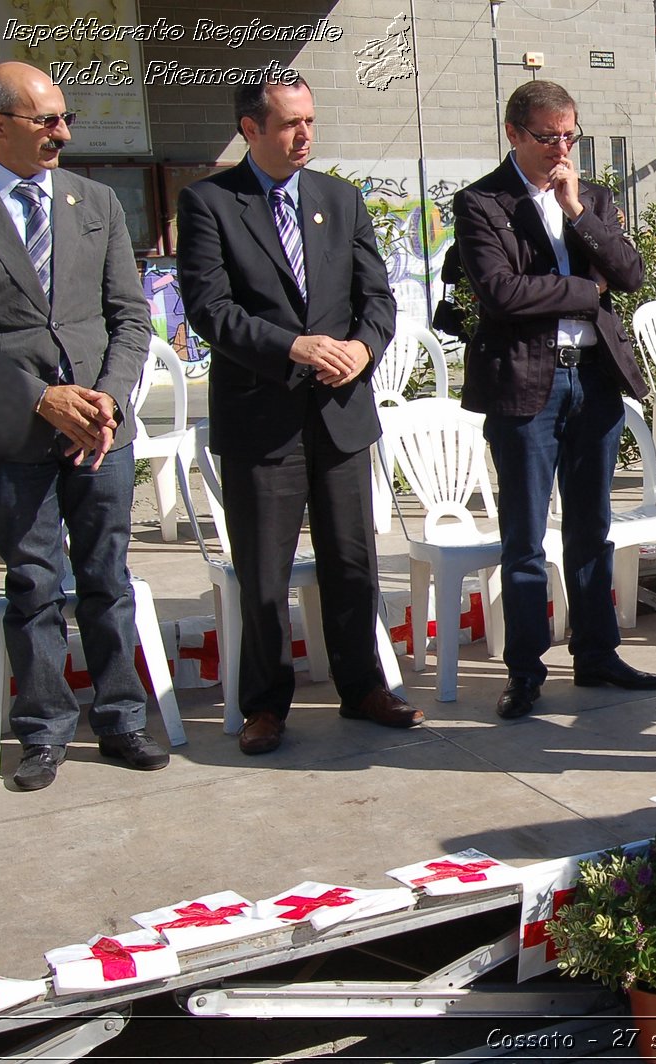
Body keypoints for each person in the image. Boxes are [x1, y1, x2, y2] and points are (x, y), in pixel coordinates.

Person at [178, 76, 422, 755]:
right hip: (263, 416)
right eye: (289, 124)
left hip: (341, 411)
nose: (304, 135)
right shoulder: (208, 203)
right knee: (264, 572)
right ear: (251, 129)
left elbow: (377, 298)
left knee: (352, 561)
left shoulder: (339, 200)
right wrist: (292, 346)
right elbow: (210, 310)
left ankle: (364, 688)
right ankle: (265, 705)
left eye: (311, 120)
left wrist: (359, 348)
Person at [453, 80, 656, 719]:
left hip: (593, 380)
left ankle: (597, 655)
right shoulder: (482, 202)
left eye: (570, 136)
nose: (561, 149)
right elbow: (501, 294)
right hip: (525, 384)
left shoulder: (591, 198)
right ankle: (525, 671)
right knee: (524, 538)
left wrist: (577, 212)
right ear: (514, 133)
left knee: (591, 529)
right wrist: (583, 289)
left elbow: (629, 275)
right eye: (548, 137)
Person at [0, 61, 167, 790]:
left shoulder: (94, 202)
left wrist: (106, 399)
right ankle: (43, 730)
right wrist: (40, 397)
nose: (63, 133)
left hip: (101, 431)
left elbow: (130, 316)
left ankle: (122, 717)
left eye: (65, 119)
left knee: (107, 576)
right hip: (14, 434)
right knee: (34, 584)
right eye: (46, 121)